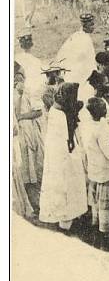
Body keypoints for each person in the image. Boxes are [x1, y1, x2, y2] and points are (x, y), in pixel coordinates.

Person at [40, 82, 88, 230]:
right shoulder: (62, 114)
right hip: (64, 157)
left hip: (59, 155)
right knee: (67, 188)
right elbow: (68, 139)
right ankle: (66, 221)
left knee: (64, 189)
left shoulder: (58, 109)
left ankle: (67, 218)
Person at [80, 97, 109, 250]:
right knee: (105, 207)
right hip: (104, 171)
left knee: (95, 203)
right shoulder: (101, 130)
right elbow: (108, 153)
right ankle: (104, 238)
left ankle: (96, 233)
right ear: (101, 111)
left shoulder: (88, 125)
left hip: (93, 169)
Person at [13, 69, 44, 212]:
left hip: (29, 132)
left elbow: (38, 111)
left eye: (20, 79)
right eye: (15, 80)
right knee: (22, 166)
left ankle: (36, 200)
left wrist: (22, 116)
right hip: (17, 135)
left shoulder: (29, 94)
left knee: (33, 164)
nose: (18, 82)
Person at [56, 13, 98, 85]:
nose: (93, 27)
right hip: (79, 73)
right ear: (85, 25)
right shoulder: (80, 37)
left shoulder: (83, 36)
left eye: (93, 24)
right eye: (91, 25)